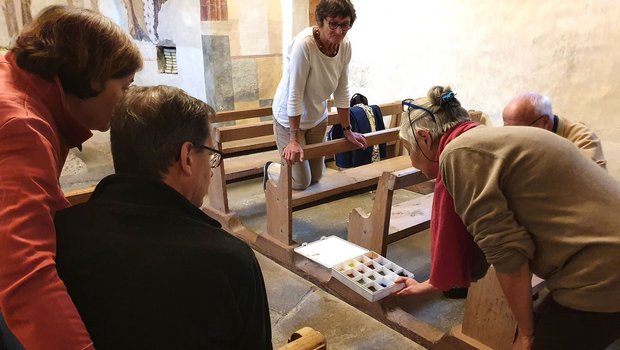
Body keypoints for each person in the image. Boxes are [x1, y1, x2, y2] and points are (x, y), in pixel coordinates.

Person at [395, 86, 620, 349]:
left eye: (408, 148)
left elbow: (507, 252)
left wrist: (526, 334)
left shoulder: (459, 154)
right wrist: (428, 286)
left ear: (424, 138)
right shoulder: (484, 138)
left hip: (601, 271)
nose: (412, 161)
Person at [54, 85, 273, 349]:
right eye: (211, 155)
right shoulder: (230, 261)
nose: (212, 171)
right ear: (187, 158)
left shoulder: (62, 233)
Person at [0, 5, 142, 350]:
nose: (125, 101)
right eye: (124, 86)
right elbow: (23, 274)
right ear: (93, 77)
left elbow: (35, 199)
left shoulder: (20, 82)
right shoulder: (23, 125)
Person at [266, 0, 367, 190]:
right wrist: (293, 140)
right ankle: (271, 169)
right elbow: (295, 94)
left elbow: (342, 89)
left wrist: (347, 130)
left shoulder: (344, 46)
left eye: (344, 24)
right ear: (320, 21)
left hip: (317, 117)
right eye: (333, 24)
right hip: (289, 120)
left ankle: (296, 168)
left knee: (317, 177)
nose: (339, 31)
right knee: (301, 182)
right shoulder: (304, 46)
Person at [503, 92, 606, 169]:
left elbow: (592, 185)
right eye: (507, 129)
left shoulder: (583, 138)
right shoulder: (514, 137)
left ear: (545, 123)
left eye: (518, 130)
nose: (512, 136)